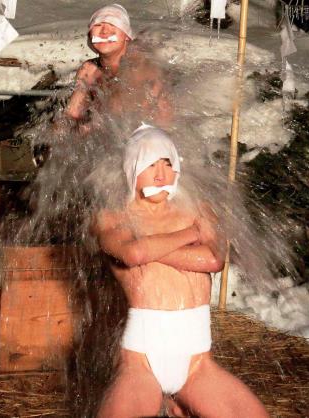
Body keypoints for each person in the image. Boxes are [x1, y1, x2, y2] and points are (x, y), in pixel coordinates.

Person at [92, 125, 269, 418]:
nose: (160, 175)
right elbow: (133, 254)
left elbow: (213, 260)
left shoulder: (197, 209)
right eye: (150, 165)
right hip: (141, 359)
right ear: (132, 168)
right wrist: (190, 235)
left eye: (167, 164)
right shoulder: (113, 217)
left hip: (197, 362)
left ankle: (175, 401)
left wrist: (151, 247)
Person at [60, 4, 172, 134]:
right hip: (116, 134)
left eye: (113, 24)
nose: (104, 31)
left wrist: (92, 126)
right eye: (98, 25)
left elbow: (160, 117)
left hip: (151, 134)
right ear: (90, 36)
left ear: (127, 36)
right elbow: (71, 115)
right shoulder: (89, 69)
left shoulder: (138, 65)